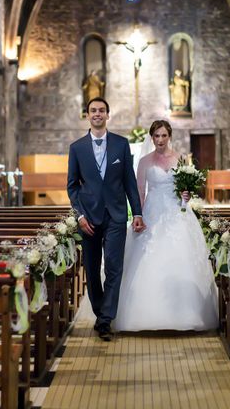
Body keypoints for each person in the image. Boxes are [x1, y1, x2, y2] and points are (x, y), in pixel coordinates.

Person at [114, 120, 218, 332]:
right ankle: (144, 314)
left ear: (169, 136)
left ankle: (186, 313)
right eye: (156, 136)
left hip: (176, 213)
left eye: (163, 136)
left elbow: (183, 191)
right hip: (152, 212)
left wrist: (185, 196)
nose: (160, 140)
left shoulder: (179, 158)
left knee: (181, 255)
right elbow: (140, 192)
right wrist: (138, 215)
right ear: (151, 138)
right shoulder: (144, 161)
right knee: (147, 257)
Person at [67, 97, 145, 341]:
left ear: (108, 115)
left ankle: (105, 319)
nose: (97, 114)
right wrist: (79, 215)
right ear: (87, 115)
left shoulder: (121, 145)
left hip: (115, 215)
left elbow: (129, 183)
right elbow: (72, 187)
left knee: (114, 267)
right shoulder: (77, 148)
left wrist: (138, 212)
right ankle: (100, 309)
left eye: (101, 110)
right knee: (91, 269)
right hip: (88, 218)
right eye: (93, 111)